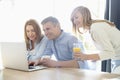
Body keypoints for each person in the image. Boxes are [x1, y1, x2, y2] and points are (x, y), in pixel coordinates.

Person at [71, 6, 120, 74]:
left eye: (76, 17)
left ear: (85, 15)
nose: (74, 21)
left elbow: (109, 52)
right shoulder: (94, 27)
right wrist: (94, 58)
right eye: (73, 19)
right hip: (116, 59)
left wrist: (86, 57)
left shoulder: (95, 28)